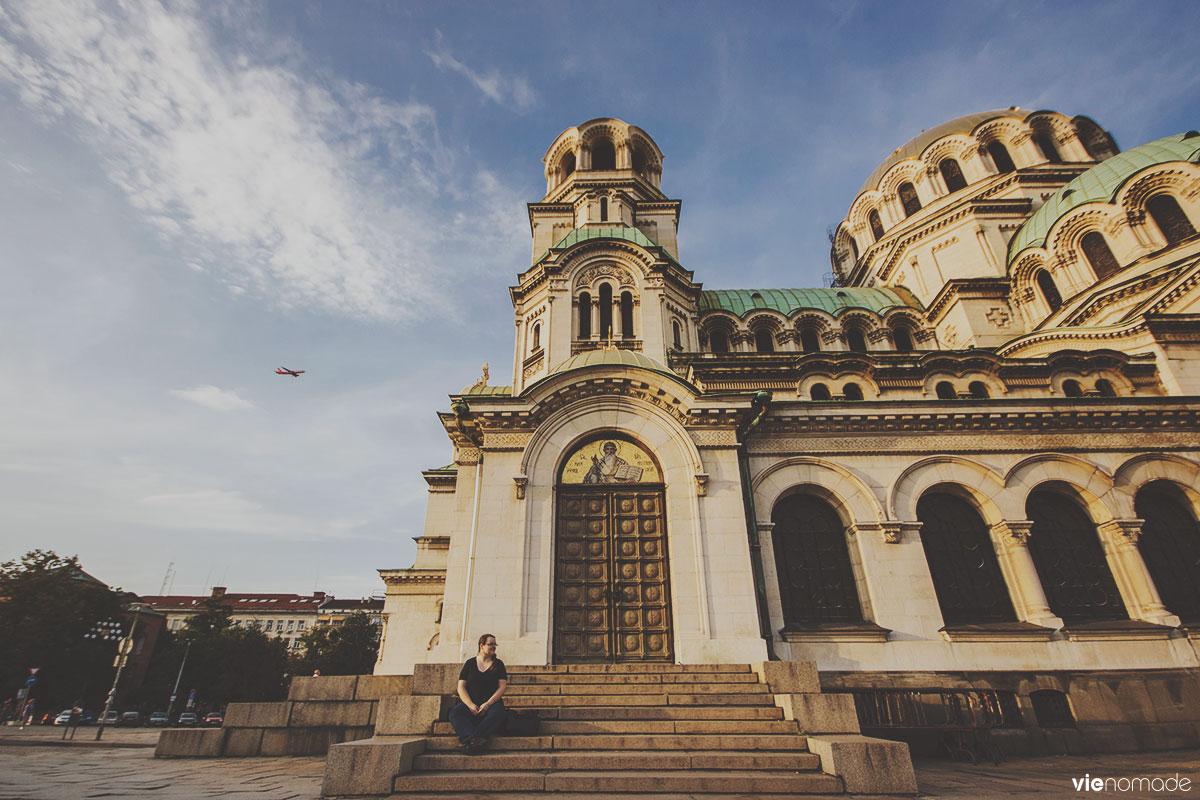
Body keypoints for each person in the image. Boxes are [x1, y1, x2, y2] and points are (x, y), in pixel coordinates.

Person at [449, 633, 507, 754]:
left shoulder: (499, 664)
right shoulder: (470, 663)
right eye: (491, 644)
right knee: (456, 713)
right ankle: (474, 739)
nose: (494, 646)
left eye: (495, 644)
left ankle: (471, 741)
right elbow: (461, 687)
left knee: (498, 713)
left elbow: (502, 687)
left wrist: (488, 704)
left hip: (491, 704)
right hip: (471, 703)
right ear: (482, 645)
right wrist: (470, 704)